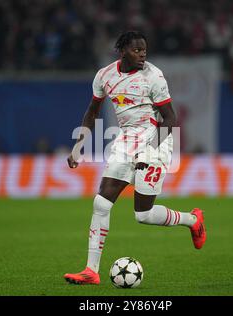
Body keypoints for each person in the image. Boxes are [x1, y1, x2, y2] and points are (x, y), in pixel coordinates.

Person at [63, 31, 206, 285]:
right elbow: (92, 112)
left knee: (143, 214)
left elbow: (170, 119)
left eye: (144, 50)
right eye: (137, 50)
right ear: (122, 50)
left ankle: (193, 220)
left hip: (156, 141)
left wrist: (149, 151)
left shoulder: (153, 76)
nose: (142, 54)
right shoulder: (104, 76)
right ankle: (90, 271)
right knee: (101, 203)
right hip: (126, 140)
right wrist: (78, 147)